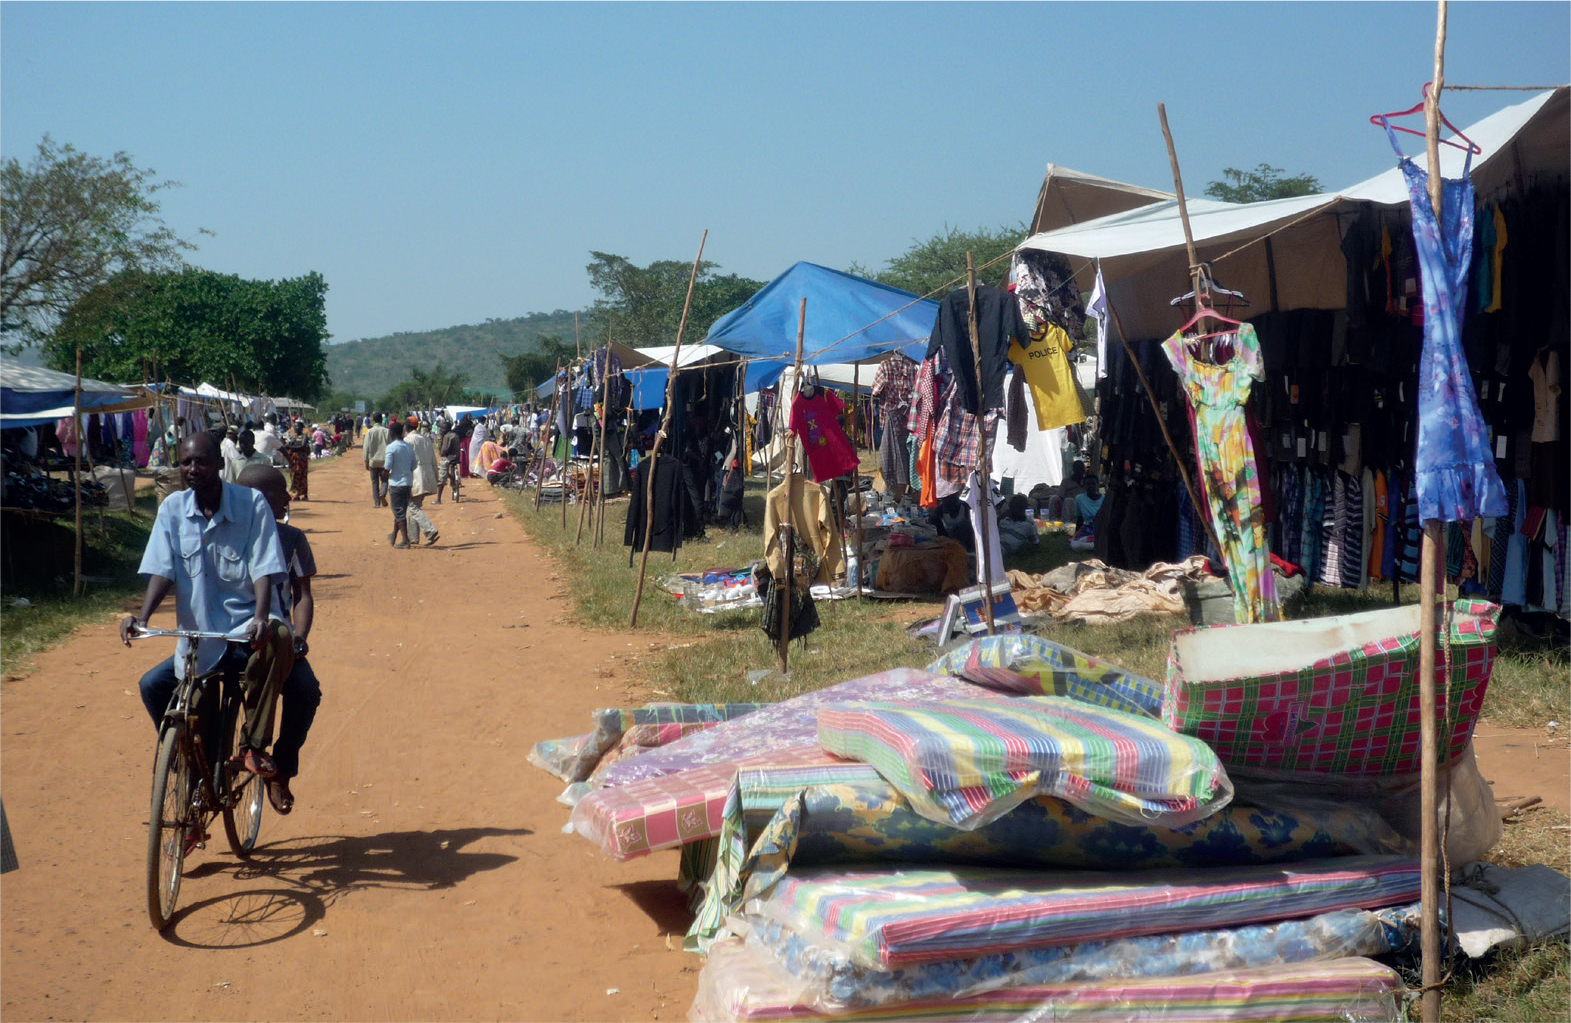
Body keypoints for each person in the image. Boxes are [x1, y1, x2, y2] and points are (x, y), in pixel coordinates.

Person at [119, 433, 293, 833]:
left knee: (280, 644)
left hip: (248, 631)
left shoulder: (251, 506)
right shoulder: (172, 510)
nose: (191, 470)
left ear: (218, 463)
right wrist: (141, 618)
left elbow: (264, 567)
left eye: (199, 462)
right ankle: (188, 769)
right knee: (154, 687)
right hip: (202, 640)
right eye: (185, 463)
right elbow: (162, 570)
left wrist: (263, 618)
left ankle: (251, 745)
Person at [235, 464, 321, 814]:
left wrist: (299, 636)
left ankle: (280, 769)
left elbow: (303, 595)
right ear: (258, 500)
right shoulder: (223, 534)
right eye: (279, 492)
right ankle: (190, 774)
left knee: (305, 691)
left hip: (276, 637)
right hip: (225, 636)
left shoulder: (291, 538)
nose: (288, 496)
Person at [406, 420, 441, 545]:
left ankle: (429, 529)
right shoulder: (426, 440)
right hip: (427, 475)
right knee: (415, 505)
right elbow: (434, 460)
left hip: (415, 476)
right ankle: (413, 537)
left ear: (407, 426)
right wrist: (436, 478)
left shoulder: (408, 440)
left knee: (413, 507)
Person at [383, 421, 416, 549]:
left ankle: (405, 540)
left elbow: (387, 466)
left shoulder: (391, 447)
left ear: (392, 433)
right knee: (400, 511)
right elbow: (414, 466)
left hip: (396, 483)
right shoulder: (409, 447)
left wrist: (385, 475)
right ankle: (394, 537)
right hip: (408, 482)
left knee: (398, 512)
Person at [362, 413, 390, 508]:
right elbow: (391, 446)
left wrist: (366, 461)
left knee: (374, 482)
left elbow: (366, 448)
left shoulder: (369, 432)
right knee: (385, 480)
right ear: (382, 421)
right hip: (385, 461)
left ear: (373, 420)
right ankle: (382, 493)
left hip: (373, 461)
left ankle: (377, 503)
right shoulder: (387, 431)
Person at [283, 421, 310, 501]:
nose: (295, 428)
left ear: (301, 428)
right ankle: (296, 494)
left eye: (297, 427)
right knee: (294, 475)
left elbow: (302, 446)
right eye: (294, 426)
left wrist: (291, 447)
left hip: (302, 459)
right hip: (294, 459)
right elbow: (286, 446)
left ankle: (304, 495)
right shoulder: (293, 437)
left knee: (302, 475)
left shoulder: (304, 436)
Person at [439, 418, 463, 502]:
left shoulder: (447, 436)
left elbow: (444, 449)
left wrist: (441, 453)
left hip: (449, 458)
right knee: (452, 468)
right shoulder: (455, 435)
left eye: (443, 428)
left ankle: (438, 499)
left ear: (447, 429)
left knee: (441, 472)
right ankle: (453, 479)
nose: (442, 430)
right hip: (456, 457)